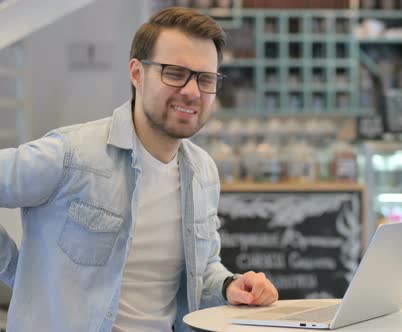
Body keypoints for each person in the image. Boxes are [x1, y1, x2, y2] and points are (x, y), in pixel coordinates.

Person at [0, 7, 278, 332]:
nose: (191, 91)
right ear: (137, 73)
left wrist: (230, 284)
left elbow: (204, 269)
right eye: (174, 72)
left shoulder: (203, 172)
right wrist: (20, 273)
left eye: (205, 79)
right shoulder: (71, 154)